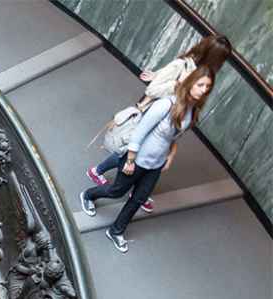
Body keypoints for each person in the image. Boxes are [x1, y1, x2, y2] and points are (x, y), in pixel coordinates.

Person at [87, 35, 230, 213]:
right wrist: (179, 85)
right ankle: (99, 172)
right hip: (155, 113)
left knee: (147, 153)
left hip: (171, 118)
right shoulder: (183, 65)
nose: (221, 64)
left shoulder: (203, 73)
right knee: (133, 148)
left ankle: (137, 191)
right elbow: (152, 89)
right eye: (221, 59)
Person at [80, 68, 214, 253]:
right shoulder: (166, 104)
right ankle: (88, 195)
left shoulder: (192, 111)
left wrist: (170, 155)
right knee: (116, 191)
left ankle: (116, 231)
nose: (204, 90)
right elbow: (139, 132)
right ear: (190, 82)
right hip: (138, 159)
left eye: (208, 86)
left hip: (155, 164)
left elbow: (175, 136)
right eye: (200, 85)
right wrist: (129, 160)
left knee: (138, 199)